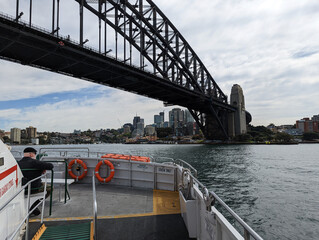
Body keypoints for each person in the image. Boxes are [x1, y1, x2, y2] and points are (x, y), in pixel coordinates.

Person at [18, 147, 54, 216]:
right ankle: (34, 204)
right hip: (34, 188)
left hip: (22, 188)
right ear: (31, 154)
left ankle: (32, 205)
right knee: (50, 187)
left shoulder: (18, 163)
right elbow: (50, 166)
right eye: (35, 154)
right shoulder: (35, 162)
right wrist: (42, 169)